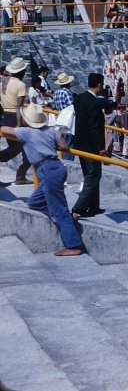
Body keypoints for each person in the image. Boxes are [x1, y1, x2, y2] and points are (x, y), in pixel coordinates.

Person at [0, 104, 84, 256]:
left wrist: (18, 123)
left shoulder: (25, 132)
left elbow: (4, 130)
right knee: (35, 202)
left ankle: (74, 245)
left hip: (47, 170)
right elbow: (64, 146)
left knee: (59, 208)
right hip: (56, 167)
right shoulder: (50, 130)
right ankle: (67, 219)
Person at [72, 72, 111, 218]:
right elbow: (95, 128)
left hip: (80, 143)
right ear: (100, 85)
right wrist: (101, 147)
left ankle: (94, 206)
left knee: (90, 174)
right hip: (91, 146)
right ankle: (79, 207)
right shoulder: (94, 103)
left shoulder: (80, 98)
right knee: (93, 175)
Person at [0, 56, 33, 184]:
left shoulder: (3, 82)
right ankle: (20, 175)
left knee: (18, 147)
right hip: (15, 117)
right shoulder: (21, 85)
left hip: (5, 117)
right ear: (22, 72)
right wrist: (19, 125)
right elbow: (18, 107)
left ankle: (21, 175)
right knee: (26, 146)